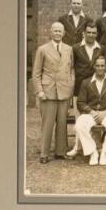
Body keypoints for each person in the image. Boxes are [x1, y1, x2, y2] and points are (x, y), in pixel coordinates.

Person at [32, 22, 75, 163]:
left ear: (63, 33)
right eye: (55, 30)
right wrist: (39, 91)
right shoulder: (42, 49)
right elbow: (36, 73)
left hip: (64, 91)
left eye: (60, 31)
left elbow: (71, 70)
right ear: (51, 32)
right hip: (48, 91)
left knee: (62, 123)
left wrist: (70, 86)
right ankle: (44, 153)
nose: (57, 33)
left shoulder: (69, 49)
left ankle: (60, 151)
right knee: (47, 124)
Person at [74, 56, 106, 166]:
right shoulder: (86, 82)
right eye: (97, 66)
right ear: (94, 67)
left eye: (102, 65)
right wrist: (91, 111)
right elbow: (80, 102)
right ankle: (93, 152)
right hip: (91, 113)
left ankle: (105, 152)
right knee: (79, 125)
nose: (100, 68)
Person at [66, 21, 103, 157]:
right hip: (79, 89)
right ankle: (77, 147)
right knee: (79, 120)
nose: (91, 35)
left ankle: (97, 146)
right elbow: (71, 69)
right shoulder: (75, 48)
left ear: (97, 34)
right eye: (89, 32)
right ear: (84, 33)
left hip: (96, 90)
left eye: (94, 33)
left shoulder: (101, 48)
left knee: (95, 118)